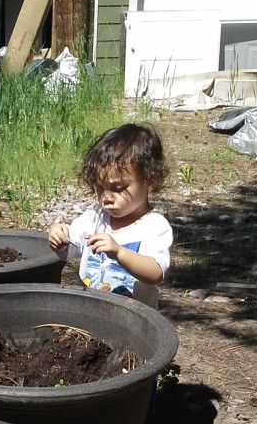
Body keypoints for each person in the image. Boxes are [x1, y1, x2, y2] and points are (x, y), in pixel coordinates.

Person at [47, 123, 173, 309]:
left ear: (150, 181)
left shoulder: (154, 226)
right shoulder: (95, 217)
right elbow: (69, 245)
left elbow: (155, 273)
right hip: (90, 312)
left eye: (118, 189)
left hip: (134, 321)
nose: (106, 198)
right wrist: (58, 235)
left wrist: (120, 253)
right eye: (100, 189)